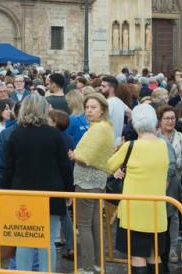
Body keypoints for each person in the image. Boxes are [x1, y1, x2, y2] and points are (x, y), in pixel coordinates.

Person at [2, 94, 72, 272]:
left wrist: (3, 191)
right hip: (51, 192)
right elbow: (64, 166)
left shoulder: (15, 134)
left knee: (24, 240)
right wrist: (68, 191)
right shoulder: (54, 134)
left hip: (23, 193)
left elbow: (8, 167)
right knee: (47, 241)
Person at [107, 103, 169, 274]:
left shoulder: (130, 146)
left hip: (133, 210)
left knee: (137, 255)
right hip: (157, 209)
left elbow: (110, 165)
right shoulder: (163, 145)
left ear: (135, 123)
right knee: (154, 254)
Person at [70, 92, 115, 274]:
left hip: (87, 180)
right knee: (95, 223)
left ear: (102, 110)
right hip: (97, 180)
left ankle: (88, 266)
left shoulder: (98, 128)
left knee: (84, 224)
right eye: (87, 107)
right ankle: (98, 263)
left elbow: (84, 157)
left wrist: (74, 155)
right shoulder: (103, 127)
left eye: (93, 107)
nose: (89, 111)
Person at [157, 104, 182, 264]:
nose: (170, 121)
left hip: (176, 181)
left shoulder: (181, 137)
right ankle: (158, 248)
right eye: (166, 118)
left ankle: (173, 249)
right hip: (157, 180)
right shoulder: (154, 136)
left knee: (173, 215)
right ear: (160, 120)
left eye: (173, 118)